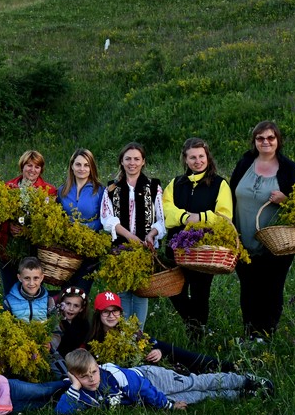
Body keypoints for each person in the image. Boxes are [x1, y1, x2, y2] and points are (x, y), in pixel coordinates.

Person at [230, 121, 295, 339]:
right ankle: (249, 333)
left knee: (271, 290)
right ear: (254, 142)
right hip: (243, 241)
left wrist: (286, 200)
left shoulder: (291, 170)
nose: (265, 142)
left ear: (277, 140)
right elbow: (230, 193)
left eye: (270, 138)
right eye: (260, 138)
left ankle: (266, 335)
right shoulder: (245, 163)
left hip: (277, 243)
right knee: (248, 289)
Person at [55, 349, 272, 415]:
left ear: (98, 366)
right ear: (74, 376)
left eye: (94, 371)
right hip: (151, 398)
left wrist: (167, 406)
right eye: (84, 376)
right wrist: (74, 386)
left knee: (192, 383)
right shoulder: (80, 392)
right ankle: (240, 395)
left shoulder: (112, 375)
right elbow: (61, 413)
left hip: (151, 379)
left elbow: (144, 389)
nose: (92, 378)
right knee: (194, 397)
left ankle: (244, 380)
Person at [163, 138, 233, 339]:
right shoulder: (176, 183)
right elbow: (166, 210)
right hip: (176, 248)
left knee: (201, 292)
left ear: (207, 158)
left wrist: (201, 218)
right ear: (185, 159)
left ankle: (197, 336)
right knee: (174, 290)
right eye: (192, 157)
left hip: (205, 249)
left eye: (201, 156)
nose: (197, 161)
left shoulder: (220, 184)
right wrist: (185, 217)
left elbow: (224, 218)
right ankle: (193, 324)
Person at [100, 142, 165, 328]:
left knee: (140, 292)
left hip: (145, 249)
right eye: (128, 159)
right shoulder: (112, 189)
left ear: (143, 161)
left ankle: (138, 336)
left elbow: (161, 219)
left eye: (137, 159)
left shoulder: (153, 187)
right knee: (122, 292)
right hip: (120, 249)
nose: (132, 163)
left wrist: (151, 235)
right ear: (121, 161)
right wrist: (130, 237)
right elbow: (107, 219)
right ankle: (122, 335)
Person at [87, 291, 234, 373]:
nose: (111, 316)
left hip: (147, 347)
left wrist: (157, 352)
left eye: (115, 311)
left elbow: (144, 344)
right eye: (106, 312)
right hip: (136, 370)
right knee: (179, 370)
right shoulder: (93, 338)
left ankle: (230, 367)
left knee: (185, 356)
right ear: (98, 314)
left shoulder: (127, 329)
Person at [0, 150, 57, 293]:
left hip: (34, 248)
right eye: (29, 165)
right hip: (9, 247)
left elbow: (48, 221)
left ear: (41, 169)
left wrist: (28, 230)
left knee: (32, 289)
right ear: (22, 166)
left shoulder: (49, 191)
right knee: (10, 288)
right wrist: (9, 226)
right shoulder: (8, 187)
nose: (32, 170)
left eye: (37, 167)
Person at [57, 148, 105, 295]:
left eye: (86, 165)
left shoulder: (100, 190)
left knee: (81, 293)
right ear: (72, 166)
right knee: (66, 293)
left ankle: (81, 318)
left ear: (91, 168)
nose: (82, 169)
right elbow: (57, 216)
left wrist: (81, 229)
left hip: (89, 249)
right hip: (66, 250)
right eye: (78, 165)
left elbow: (104, 220)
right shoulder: (63, 190)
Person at [2, 256, 54, 322]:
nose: (31, 283)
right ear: (19, 277)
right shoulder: (9, 301)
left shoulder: (49, 301)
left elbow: (54, 326)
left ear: (42, 278)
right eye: (27, 278)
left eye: (36, 278)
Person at [52, 286, 91, 361]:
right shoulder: (54, 321)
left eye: (76, 306)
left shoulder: (84, 325)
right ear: (61, 304)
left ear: (81, 309)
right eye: (68, 304)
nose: (71, 309)